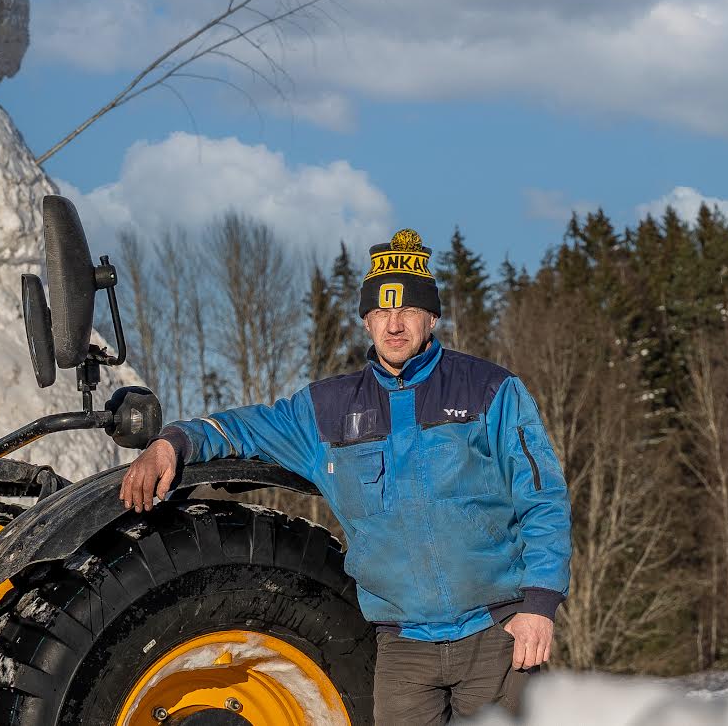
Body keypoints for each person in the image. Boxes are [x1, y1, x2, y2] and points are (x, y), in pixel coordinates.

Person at [120, 228, 571, 725]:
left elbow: (543, 496)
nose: (394, 325)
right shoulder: (327, 411)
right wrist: (172, 442)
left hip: (497, 632)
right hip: (404, 650)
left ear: (433, 317)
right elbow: (244, 428)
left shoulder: (490, 390)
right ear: (365, 321)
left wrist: (540, 603)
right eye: (381, 312)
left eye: (407, 312)